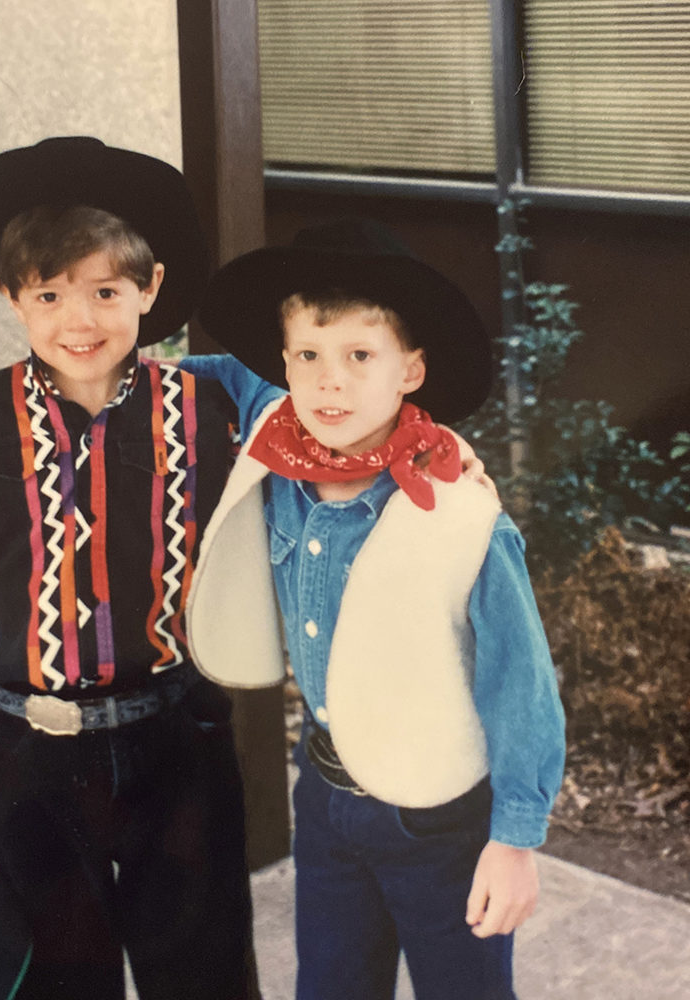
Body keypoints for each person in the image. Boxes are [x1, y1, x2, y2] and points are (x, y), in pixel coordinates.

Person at [0, 136, 258, 1000]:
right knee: (59, 974)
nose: (80, 320)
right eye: (50, 295)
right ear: (11, 298)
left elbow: (314, 451)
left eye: (106, 291)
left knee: (202, 967)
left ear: (151, 289)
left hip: (178, 736)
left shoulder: (205, 409)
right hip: (31, 748)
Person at [182, 219, 566, 1000]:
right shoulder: (280, 452)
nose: (331, 384)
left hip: (438, 817)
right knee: (330, 985)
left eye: (361, 356)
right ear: (282, 362)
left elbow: (521, 685)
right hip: (325, 798)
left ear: (410, 370)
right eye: (309, 357)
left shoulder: (461, 516)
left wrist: (515, 841)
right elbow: (202, 372)